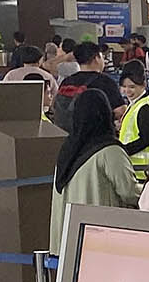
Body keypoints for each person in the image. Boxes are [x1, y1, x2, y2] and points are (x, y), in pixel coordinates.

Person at [48, 90, 138, 248]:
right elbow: (129, 192)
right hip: (100, 242)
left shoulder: (68, 149)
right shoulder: (109, 150)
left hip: (68, 242)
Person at [115, 61, 149, 182]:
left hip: (141, 171)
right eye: (124, 87)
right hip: (132, 168)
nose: (127, 91)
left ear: (144, 85)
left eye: (132, 87)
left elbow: (145, 140)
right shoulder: (135, 104)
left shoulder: (146, 107)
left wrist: (122, 151)